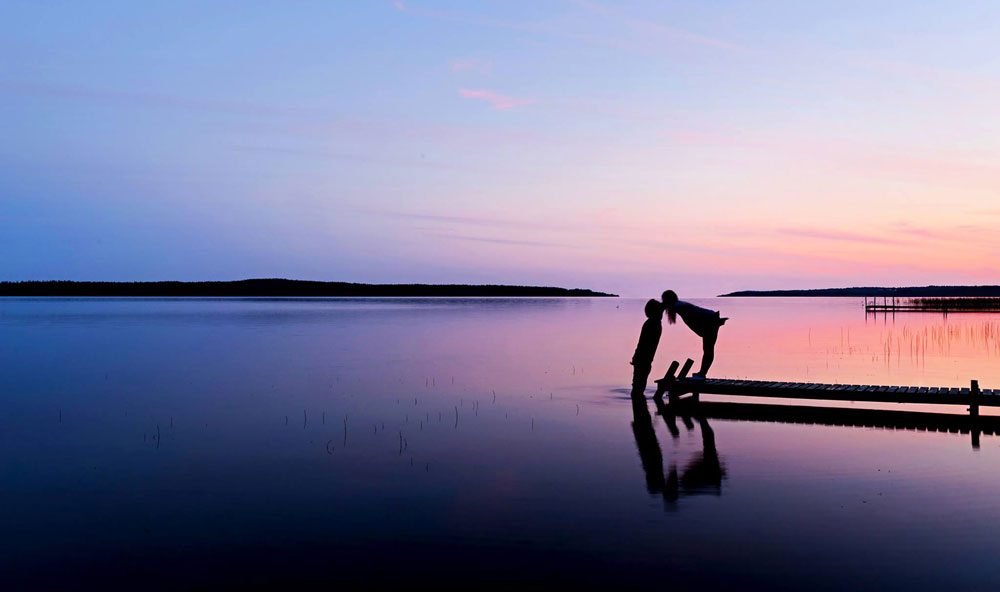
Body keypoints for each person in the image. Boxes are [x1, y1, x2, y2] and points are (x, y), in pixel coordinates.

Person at [661, 290, 727, 379]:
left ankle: (702, 374)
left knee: (708, 350)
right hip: (711, 319)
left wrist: (714, 322)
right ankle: (702, 373)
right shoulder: (678, 305)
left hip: (710, 320)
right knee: (708, 349)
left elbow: (696, 315)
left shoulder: (679, 306)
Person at [629, 299, 663, 397]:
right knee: (638, 386)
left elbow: (642, 343)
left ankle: (639, 405)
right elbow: (643, 343)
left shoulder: (652, 323)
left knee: (638, 386)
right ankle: (639, 405)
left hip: (643, 359)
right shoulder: (653, 323)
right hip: (643, 359)